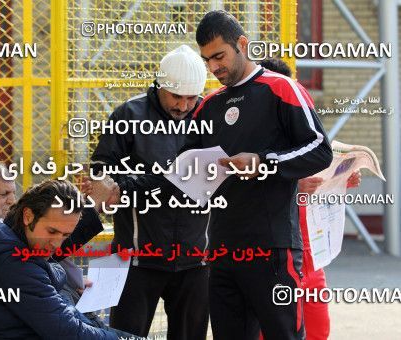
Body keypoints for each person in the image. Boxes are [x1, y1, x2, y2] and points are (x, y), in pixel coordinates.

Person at [184, 11, 333, 340]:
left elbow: (320, 149)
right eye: (207, 60)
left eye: (219, 56)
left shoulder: (282, 88)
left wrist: (263, 162)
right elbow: (186, 166)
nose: (214, 67)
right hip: (222, 250)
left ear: (242, 44)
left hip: (273, 249)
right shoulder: (208, 106)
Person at [90, 45, 210, 339]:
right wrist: (163, 180)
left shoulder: (212, 115)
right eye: (176, 97)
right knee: (125, 335)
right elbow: (102, 175)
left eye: (191, 98)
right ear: (159, 86)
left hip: (196, 258)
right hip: (136, 259)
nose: (183, 106)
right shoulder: (128, 114)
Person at [0, 179, 137, 339]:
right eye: (52, 231)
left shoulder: (16, 239)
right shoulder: (15, 262)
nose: (57, 244)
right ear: (28, 216)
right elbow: (71, 332)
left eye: (65, 235)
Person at [259, 58, 362, 340]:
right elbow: (240, 196)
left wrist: (341, 181)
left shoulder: (307, 137)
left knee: (318, 330)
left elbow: (320, 182)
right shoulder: (250, 141)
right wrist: (293, 186)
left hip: (310, 257)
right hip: (270, 259)